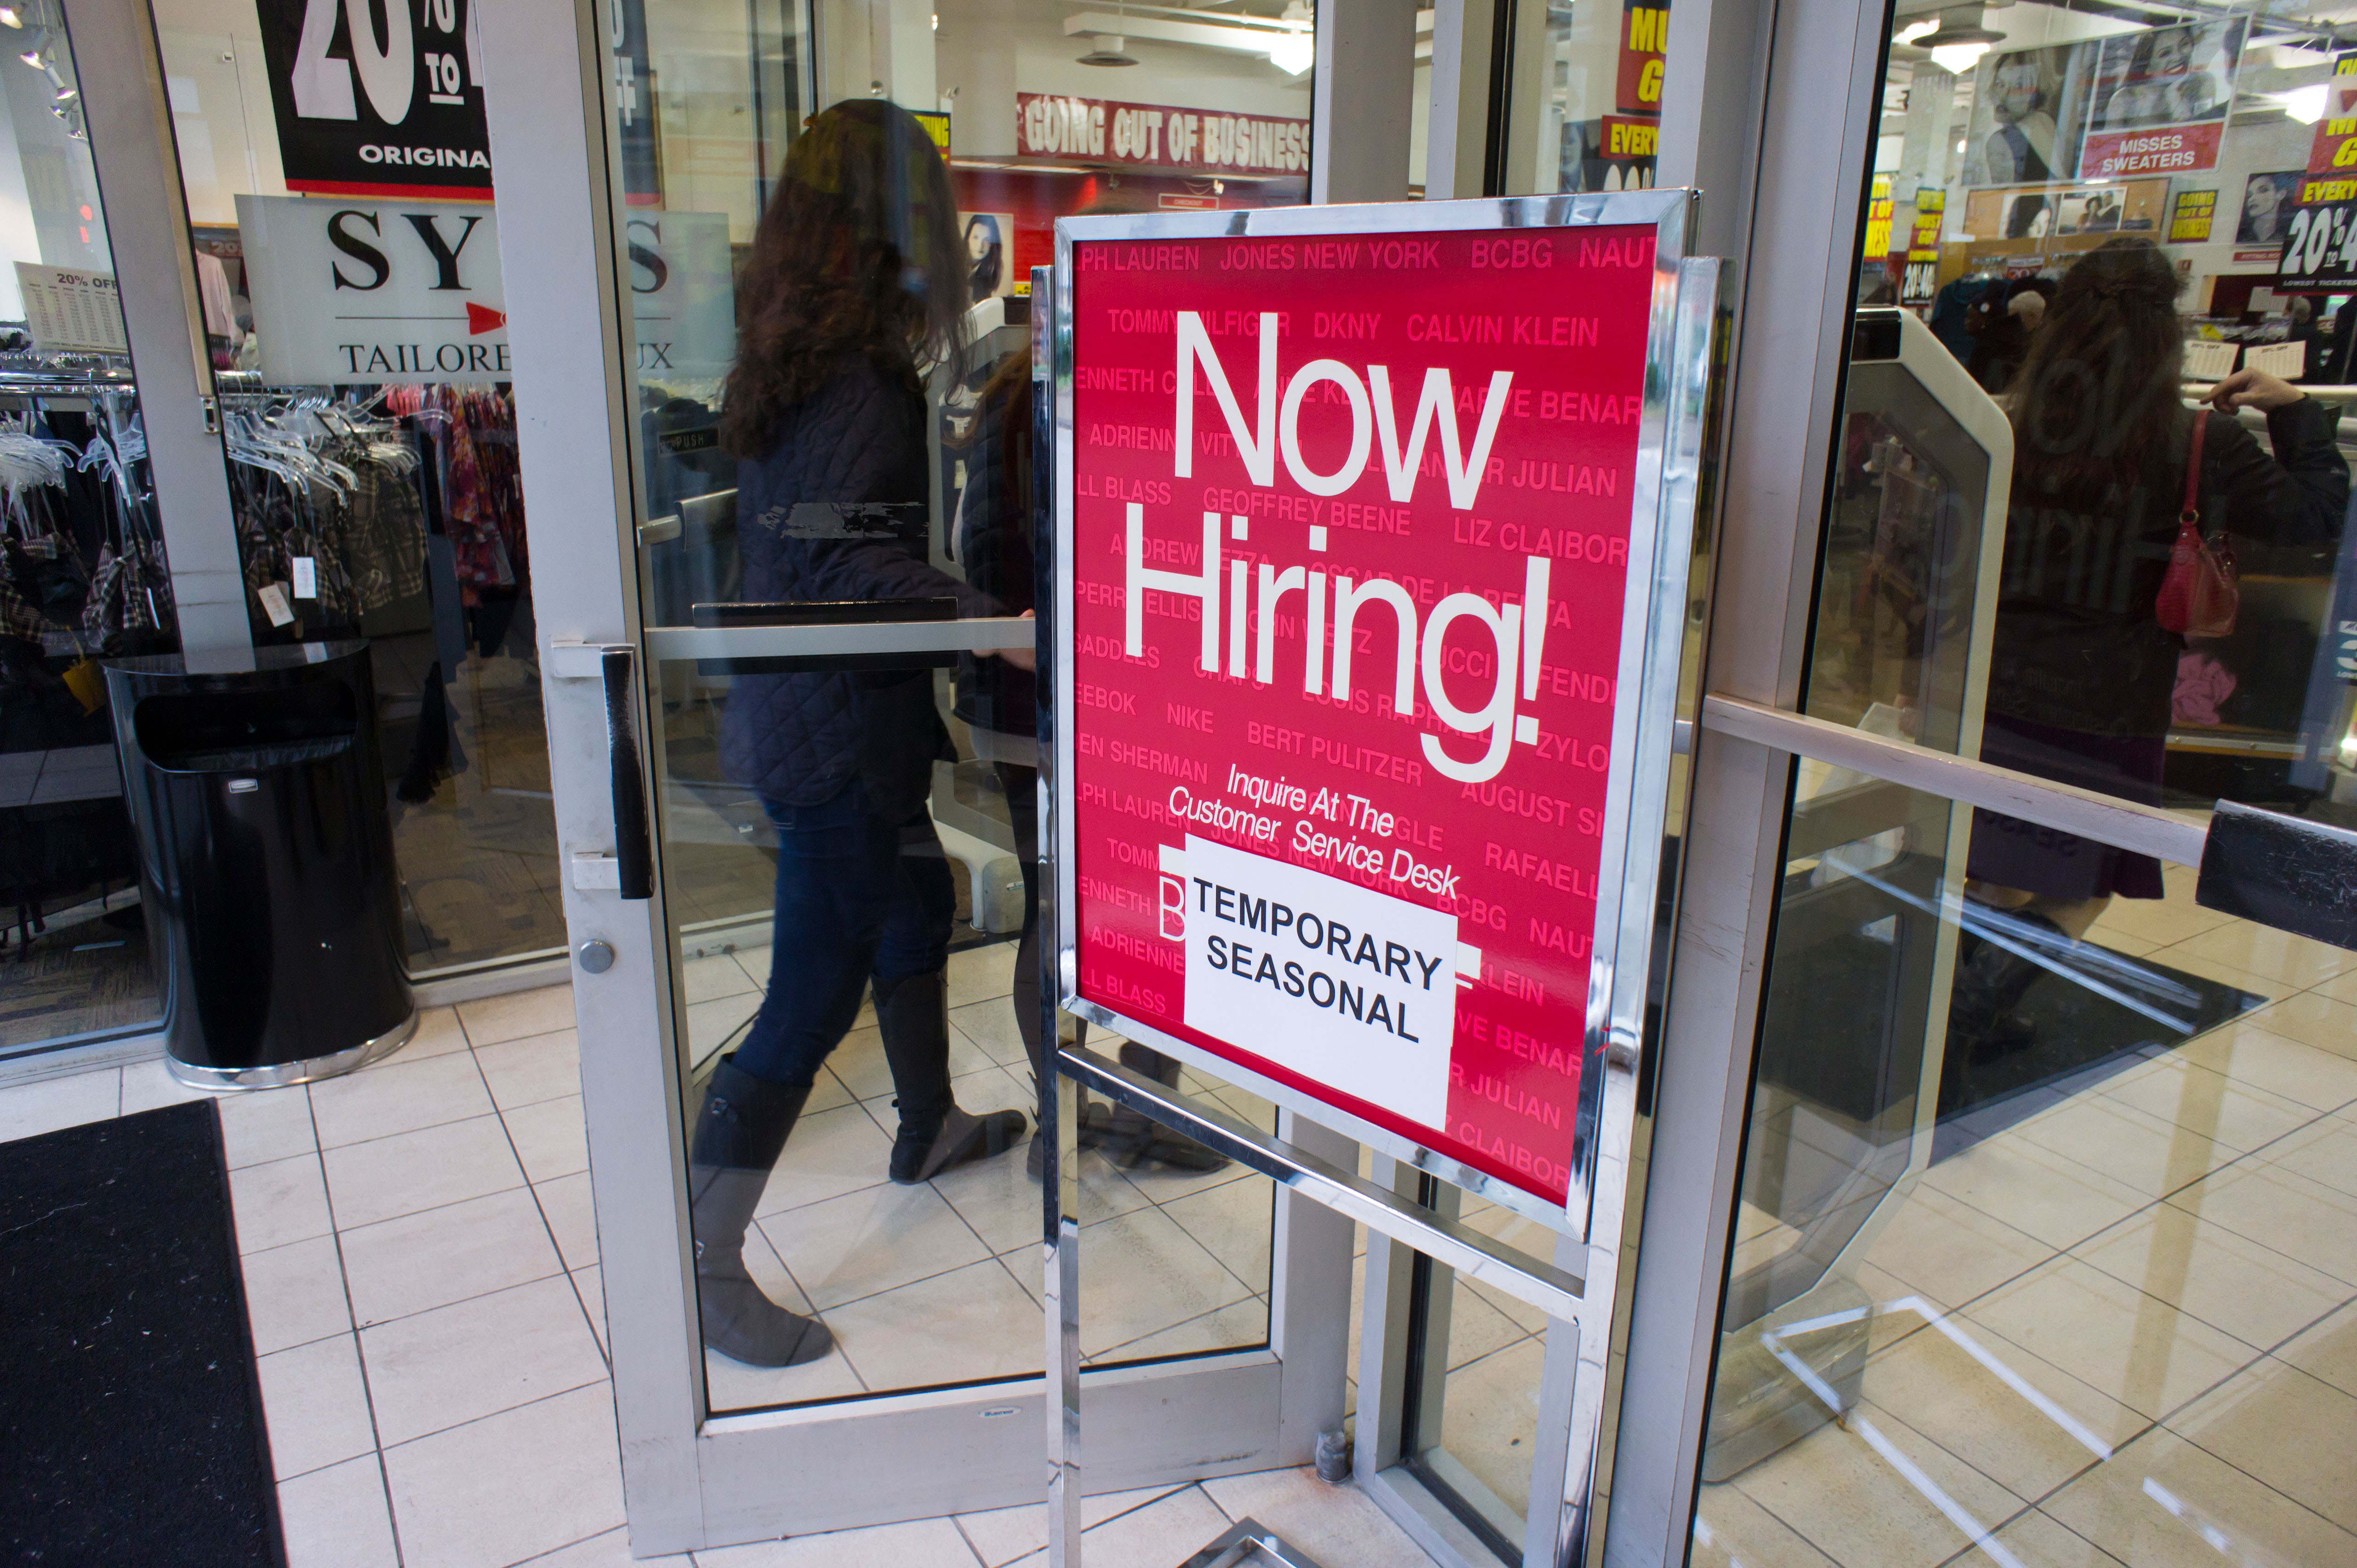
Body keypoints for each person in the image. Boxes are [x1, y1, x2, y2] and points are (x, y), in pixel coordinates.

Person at [691, 100, 1033, 1369]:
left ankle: (928, 1118)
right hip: (836, 730)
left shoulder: (795, 352)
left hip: (819, 715)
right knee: (811, 986)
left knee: (915, 896)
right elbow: (844, 558)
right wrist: (993, 621)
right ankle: (706, 1261)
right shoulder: (859, 377)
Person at [1951, 238, 2349, 1060]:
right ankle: (1975, 1007)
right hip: (2110, 704)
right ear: (2166, 336)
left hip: (1993, 687)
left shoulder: (2002, 426)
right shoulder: (2201, 443)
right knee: (2086, 878)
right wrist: (2294, 409)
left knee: (1993, 865)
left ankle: (1946, 1005)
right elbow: (2318, 515)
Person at [950, 201, 1230, 1178]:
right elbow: (987, 565)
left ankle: (1139, 1103)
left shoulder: (1165, 397)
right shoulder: (1025, 408)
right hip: (1043, 712)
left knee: (1150, 911)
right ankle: (1064, 1113)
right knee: (1062, 913)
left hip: (1129, 714)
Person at [964, 214, 1004, 304]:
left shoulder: (984, 277)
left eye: (986, 240)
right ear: (968, 239)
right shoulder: (954, 267)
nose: (980, 245)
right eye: (976, 237)